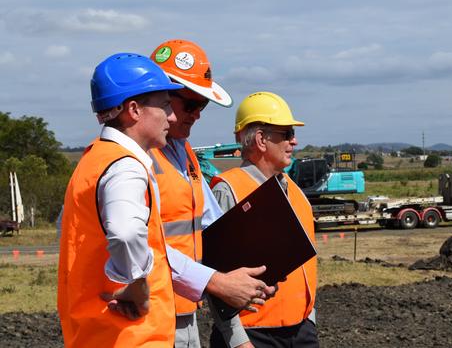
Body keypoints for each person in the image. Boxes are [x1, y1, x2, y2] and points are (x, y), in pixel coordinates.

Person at [148, 39, 274, 348]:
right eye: (190, 105)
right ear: (158, 97)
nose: (197, 115)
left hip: (184, 314)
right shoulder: (133, 161)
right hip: (149, 317)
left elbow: (214, 232)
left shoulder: (184, 153)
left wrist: (255, 270)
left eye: (201, 105)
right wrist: (219, 283)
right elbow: (140, 249)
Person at [57, 52, 183, 347]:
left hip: (98, 333)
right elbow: (126, 233)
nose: (172, 116)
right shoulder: (123, 166)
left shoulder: (94, 160)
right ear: (134, 110)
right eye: (165, 105)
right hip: (130, 336)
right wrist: (138, 284)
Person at [209, 92, 319, 348]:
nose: (294, 141)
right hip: (252, 336)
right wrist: (238, 340)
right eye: (287, 133)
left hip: (301, 332)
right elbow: (215, 273)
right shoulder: (229, 190)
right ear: (261, 139)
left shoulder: (297, 192)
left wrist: (309, 321)